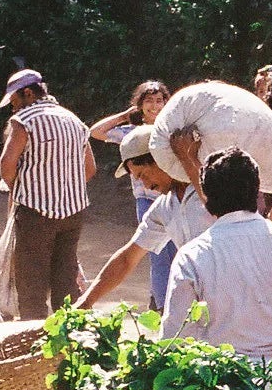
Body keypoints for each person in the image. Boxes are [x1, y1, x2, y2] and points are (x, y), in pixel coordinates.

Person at [161, 147, 272, 371]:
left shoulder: (192, 256)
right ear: (258, 193)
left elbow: (175, 338)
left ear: (207, 200)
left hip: (233, 387)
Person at [76, 126, 212, 310]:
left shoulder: (209, 191)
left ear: (160, 160)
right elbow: (127, 259)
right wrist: (85, 302)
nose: (146, 186)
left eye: (143, 175)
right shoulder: (164, 207)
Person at [0, 70, 96, 321]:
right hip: (73, 214)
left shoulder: (25, 120)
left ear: (28, 93)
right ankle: (70, 340)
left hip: (35, 213)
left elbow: (7, 165)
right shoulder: (74, 120)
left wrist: (22, 188)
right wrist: (65, 188)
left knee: (32, 285)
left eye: (14, 101)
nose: (13, 108)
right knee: (66, 281)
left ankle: (34, 343)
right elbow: (90, 168)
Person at [90, 81, 173, 306]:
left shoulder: (172, 131)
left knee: (177, 254)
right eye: (148, 101)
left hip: (173, 198)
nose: (155, 106)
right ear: (139, 105)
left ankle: (163, 301)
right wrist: (125, 116)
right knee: (158, 255)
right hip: (147, 201)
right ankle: (162, 306)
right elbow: (96, 132)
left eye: (159, 100)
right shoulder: (130, 133)